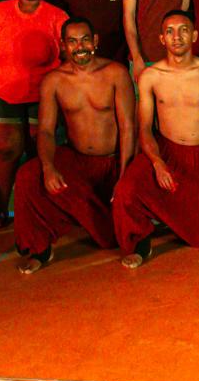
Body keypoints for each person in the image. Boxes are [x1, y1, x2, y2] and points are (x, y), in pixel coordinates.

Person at [13, 17, 136, 273]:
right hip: (78, 160)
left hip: (112, 161)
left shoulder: (116, 73)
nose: (80, 47)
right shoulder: (54, 81)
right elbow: (46, 131)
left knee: (109, 237)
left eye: (85, 40)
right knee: (28, 175)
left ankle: (122, 230)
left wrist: (124, 174)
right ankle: (39, 248)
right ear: (63, 46)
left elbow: (128, 128)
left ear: (95, 41)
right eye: (72, 42)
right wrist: (48, 167)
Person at [113, 9, 199, 268]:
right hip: (164, 150)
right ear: (162, 39)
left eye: (183, 30)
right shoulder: (150, 76)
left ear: (194, 36)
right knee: (127, 189)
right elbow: (144, 128)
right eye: (170, 31)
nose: (177, 37)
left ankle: (170, 217)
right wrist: (157, 162)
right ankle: (139, 241)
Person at [0, 0, 68, 228]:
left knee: (39, 152)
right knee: (6, 151)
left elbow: (66, 56)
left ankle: (37, 210)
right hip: (0, 91)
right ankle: (1, 209)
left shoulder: (57, 17)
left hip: (42, 94)